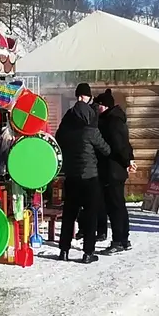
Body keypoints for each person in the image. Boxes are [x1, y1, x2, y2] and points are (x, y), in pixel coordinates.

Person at [55, 83, 111, 264]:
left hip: (71, 175)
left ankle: (64, 250)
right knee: (90, 214)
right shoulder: (91, 128)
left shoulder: (66, 126)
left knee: (69, 214)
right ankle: (88, 253)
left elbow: (57, 140)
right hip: (90, 176)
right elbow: (105, 149)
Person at [94, 89, 135, 254]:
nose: (97, 108)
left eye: (99, 105)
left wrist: (127, 160)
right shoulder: (115, 119)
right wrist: (129, 160)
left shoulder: (111, 122)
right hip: (116, 169)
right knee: (119, 205)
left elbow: (119, 145)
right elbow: (126, 144)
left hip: (112, 170)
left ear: (105, 106)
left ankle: (118, 240)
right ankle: (124, 239)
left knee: (115, 206)